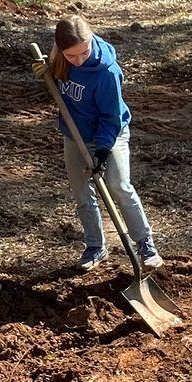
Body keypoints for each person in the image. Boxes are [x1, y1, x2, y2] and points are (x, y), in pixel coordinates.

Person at [47, 15, 161, 271]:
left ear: (91, 40)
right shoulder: (60, 57)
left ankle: (145, 244)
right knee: (81, 192)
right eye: (71, 56)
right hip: (75, 135)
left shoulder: (107, 72)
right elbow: (56, 85)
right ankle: (95, 246)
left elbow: (111, 118)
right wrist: (44, 72)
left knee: (118, 185)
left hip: (110, 133)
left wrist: (101, 151)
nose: (79, 60)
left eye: (84, 53)